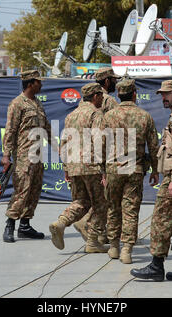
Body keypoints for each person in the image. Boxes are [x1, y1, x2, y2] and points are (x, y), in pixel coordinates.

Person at [130, 80, 172, 282]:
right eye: (162, 94)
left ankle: (156, 265)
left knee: (161, 220)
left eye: (168, 94)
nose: (164, 97)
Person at [102, 79, 159, 264]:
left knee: (113, 207)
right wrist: (156, 170)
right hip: (134, 168)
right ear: (134, 94)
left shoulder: (108, 116)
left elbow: (101, 146)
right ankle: (127, 249)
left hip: (113, 168)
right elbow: (154, 146)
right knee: (130, 209)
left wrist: (102, 171)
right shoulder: (144, 116)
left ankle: (113, 246)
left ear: (118, 94)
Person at [49, 82, 108, 253]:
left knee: (81, 201)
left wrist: (66, 167)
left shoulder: (71, 115)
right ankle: (93, 242)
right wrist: (104, 169)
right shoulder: (96, 114)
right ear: (95, 96)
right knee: (101, 204)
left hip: (74, 165)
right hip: (92, 166)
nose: (102, 99)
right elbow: (100, 141)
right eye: (101, 96)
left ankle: (61, 223)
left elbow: (64, 142)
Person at [1, 70, 52, 243]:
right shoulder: (17, 104)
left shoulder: (38, 104)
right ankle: (10, 225)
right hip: (24, 156)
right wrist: (6, 154)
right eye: (39, 82)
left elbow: (47, 128)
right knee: (22, 190)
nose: (41, 84)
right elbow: (10, 130)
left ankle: (25, 225)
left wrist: (58, 147)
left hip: (38, 156)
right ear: (30, 83)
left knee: (34, 191)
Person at [72, 67, 120, 243]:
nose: (116, 83)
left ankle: (99, 233)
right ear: (107, 81)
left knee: (95, 197)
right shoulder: (109, 101)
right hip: (103, 155)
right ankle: (89, 224)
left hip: (82, 156)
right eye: (113, 80)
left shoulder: (83, 105)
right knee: (106, 197)